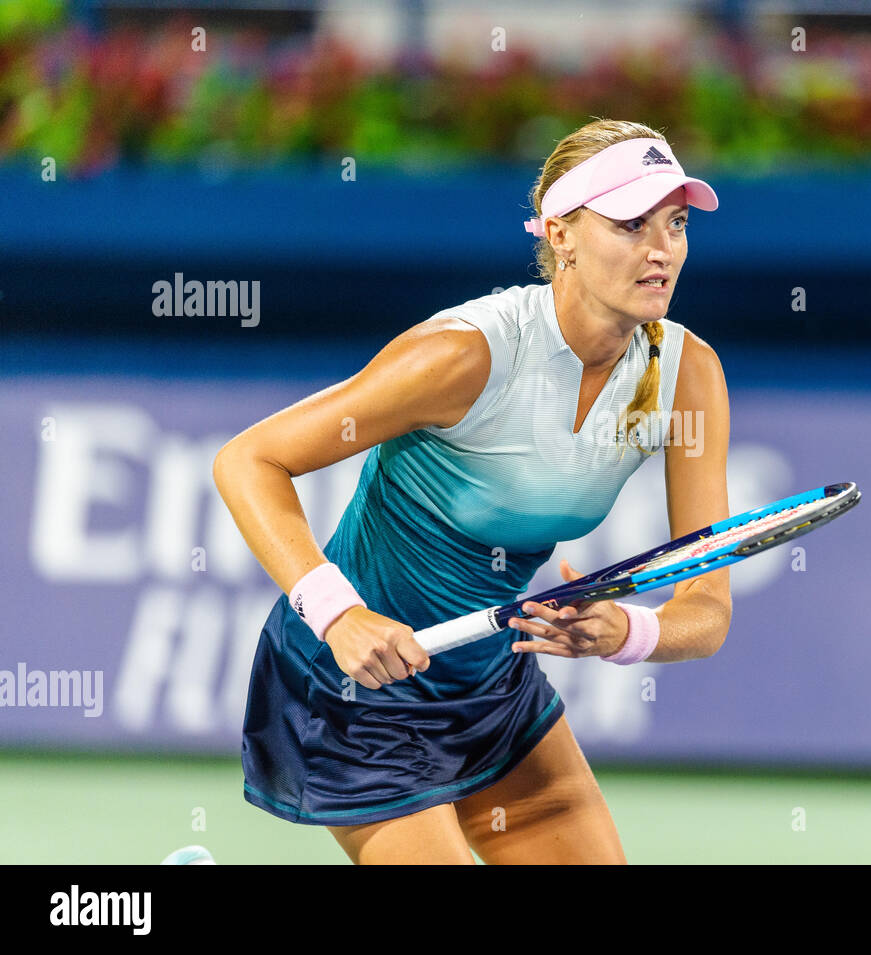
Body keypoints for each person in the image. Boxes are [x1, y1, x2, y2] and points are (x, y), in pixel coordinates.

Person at [213, 118, 732, 864]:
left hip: (492, 690)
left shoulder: (686, 377)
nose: (662, 250)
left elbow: (706, 610)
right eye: (630, 224)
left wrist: (624, 631)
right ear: (561, 233)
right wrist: (340, 613)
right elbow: (249, 459)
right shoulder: (465, 355)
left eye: (676, 224)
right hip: (358, 692)